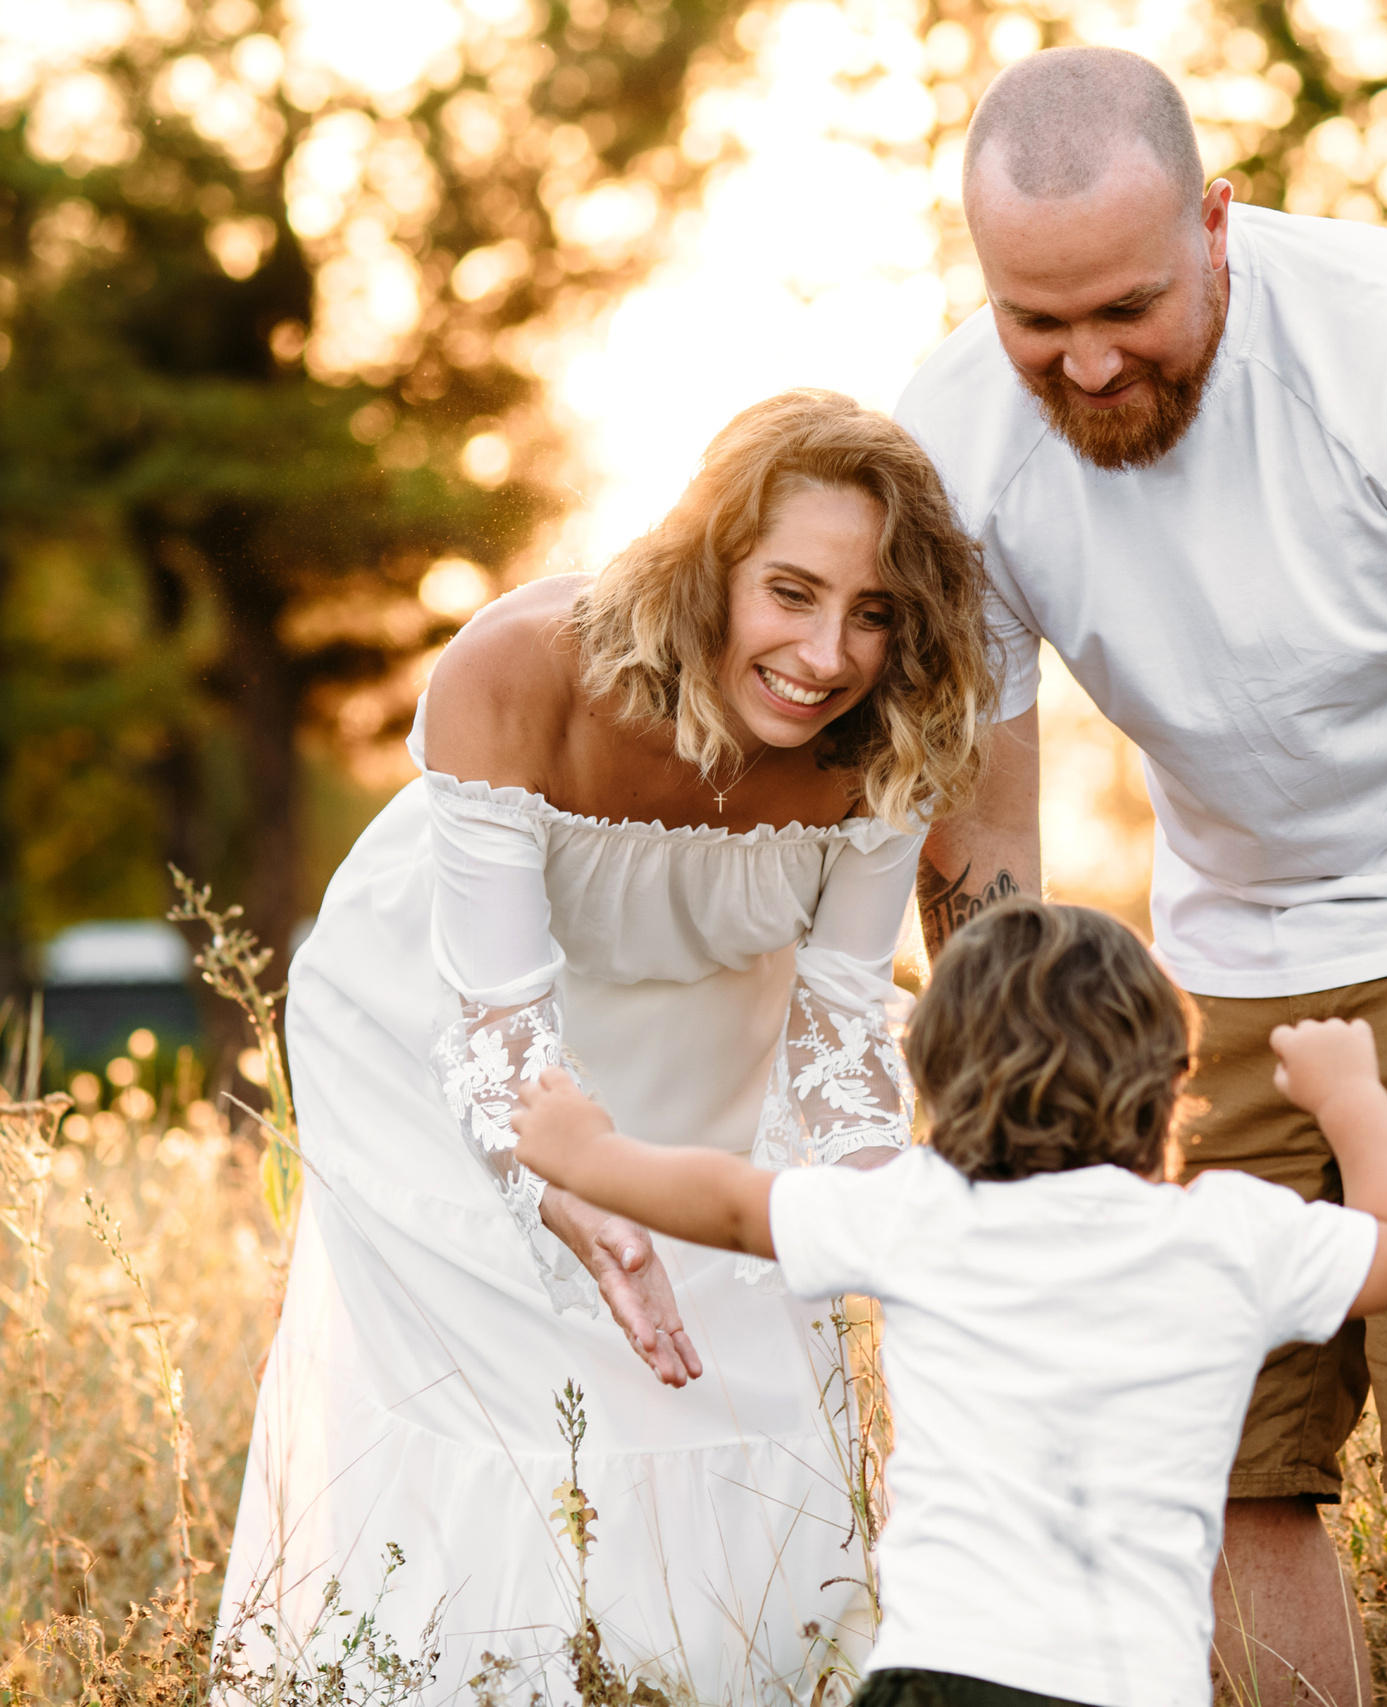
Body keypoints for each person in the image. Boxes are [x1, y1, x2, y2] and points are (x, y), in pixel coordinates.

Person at [893, 46, 1387, 1707]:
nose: (1089, 360)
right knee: (1216, 1451)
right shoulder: (953, 438)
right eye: (1040, 323)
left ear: (1216, 222)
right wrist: (1012, 1155)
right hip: (1223, 958)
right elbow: (987, 836)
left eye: (1128, 305)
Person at [214, 390, 996, 1701]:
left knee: (737, 1348)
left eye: (874, 611)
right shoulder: (520, 668)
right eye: (791, 591)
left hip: (706, 1039)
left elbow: (842, 1023)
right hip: (447, 1033)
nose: (827, 652)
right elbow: (499, 1028)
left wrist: (876, 1225)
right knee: (525, 1384)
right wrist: (577, 1197)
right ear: (707, 563)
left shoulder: (893, 727)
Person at [508, 900, 1387, 1707]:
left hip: (946, 1667)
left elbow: (728, 1201)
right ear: (1169, 1084)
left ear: (941, 1079)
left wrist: (587, 1155)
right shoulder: (1225, 1237)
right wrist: (1351, 1095)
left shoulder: (921, 1211)